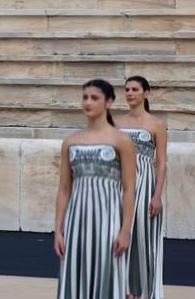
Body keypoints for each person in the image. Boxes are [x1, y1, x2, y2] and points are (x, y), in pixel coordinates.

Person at [55, 79, 137, 299]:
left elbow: (129, 188)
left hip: (109, 219)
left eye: (94, 98)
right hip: (76, 220)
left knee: (108, 276)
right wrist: (58, 230)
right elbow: (64, 188)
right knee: (75, 276)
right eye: (85, 97)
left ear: (109, 102)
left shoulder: (121, 140)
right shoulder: (70, 141)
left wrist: (126, 230)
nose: (88, 102)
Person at [115, 76, 167, 299]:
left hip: (145, 184)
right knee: (119, 234)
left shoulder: (156, 124)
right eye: (127, 89)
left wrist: (157, 195)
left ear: (146, 93)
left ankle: (146, 292)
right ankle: (124, 290)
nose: (130, 93)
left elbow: (161, 163)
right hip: (120, 184)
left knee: (144, 239)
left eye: (135, 89)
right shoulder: (116, 122)